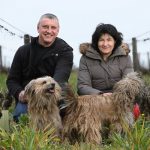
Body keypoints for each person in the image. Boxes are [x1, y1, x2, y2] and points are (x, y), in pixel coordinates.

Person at [6, 13, 73, 122]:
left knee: (66, 117)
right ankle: (27, 138)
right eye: (45, 27)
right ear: (38, 28)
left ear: (58, 30)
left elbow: (60, 79)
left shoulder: (65, 51)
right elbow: (12, 80)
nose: (49, 31)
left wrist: (46, 93)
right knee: (21, 118)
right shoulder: (23, 51)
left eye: (53, 28)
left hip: (53, 96)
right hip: (29, 99)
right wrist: (20, 94)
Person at [77, 23, 133, 96]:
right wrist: (101, 94)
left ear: (115, 41)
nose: (105, 44)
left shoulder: (125, 57)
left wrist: (115, 95)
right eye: (101, 40)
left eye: (109, 40)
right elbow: (82, 87)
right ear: (96, 42)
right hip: (94, 100)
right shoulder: (85, 58)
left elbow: (129, 84)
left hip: (120, 98)